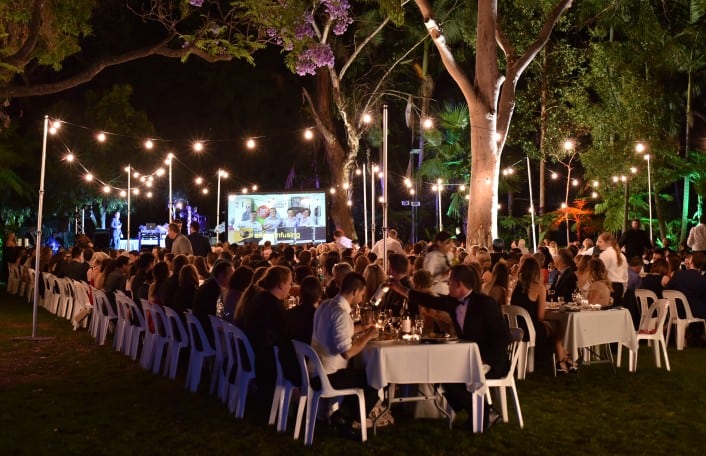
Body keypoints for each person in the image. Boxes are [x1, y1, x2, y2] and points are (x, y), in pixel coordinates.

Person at [311, 272, 381, 438]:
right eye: (362, 294)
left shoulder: (325, 305)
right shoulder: (341, 314)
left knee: (366, 376)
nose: (362, 299)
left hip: (315, 371)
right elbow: (347, 353)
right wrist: (368, 336)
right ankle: (346, 419)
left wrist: (362, 328)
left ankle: (342, 415)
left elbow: (336, 333)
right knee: (375, 379)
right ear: (355, 292)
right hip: (329, 376)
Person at [236, 266, 292, 409]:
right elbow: (283, 338)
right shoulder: (272, 306)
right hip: (264, 360)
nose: (290, 287)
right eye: (289, 283)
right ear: (280, 284)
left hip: (251, 353)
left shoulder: (256, 299)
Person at [510, 257, 573, 373]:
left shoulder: (516, 287)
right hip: (531, 329)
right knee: (559, 325)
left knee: (554, 325)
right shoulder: (539, 287)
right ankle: (561, 358)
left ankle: (562, 357)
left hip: (516, 327)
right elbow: (540, 316)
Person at [192, 260, 234, 343]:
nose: (233, 279)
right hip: (208, 337)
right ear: (221, 276)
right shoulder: (214, 291)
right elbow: (219, 316)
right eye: (231, 275)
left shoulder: (207, 285)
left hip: (199, 334)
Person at [665, 252, 706, 319]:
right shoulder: (703, 280)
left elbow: (665, 291)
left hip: (675, 312)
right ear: (702, 265)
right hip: (695, 314)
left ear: (690, 261)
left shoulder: (678, 275)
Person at [596, 232, 628, 308]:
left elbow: (600, 273)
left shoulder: (605, 254)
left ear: (608, 242)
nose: (597, 244)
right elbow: (625, 276)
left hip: (608, 287)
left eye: (600, 241)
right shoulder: (622, 255)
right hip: (619, 288)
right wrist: (623, 291)